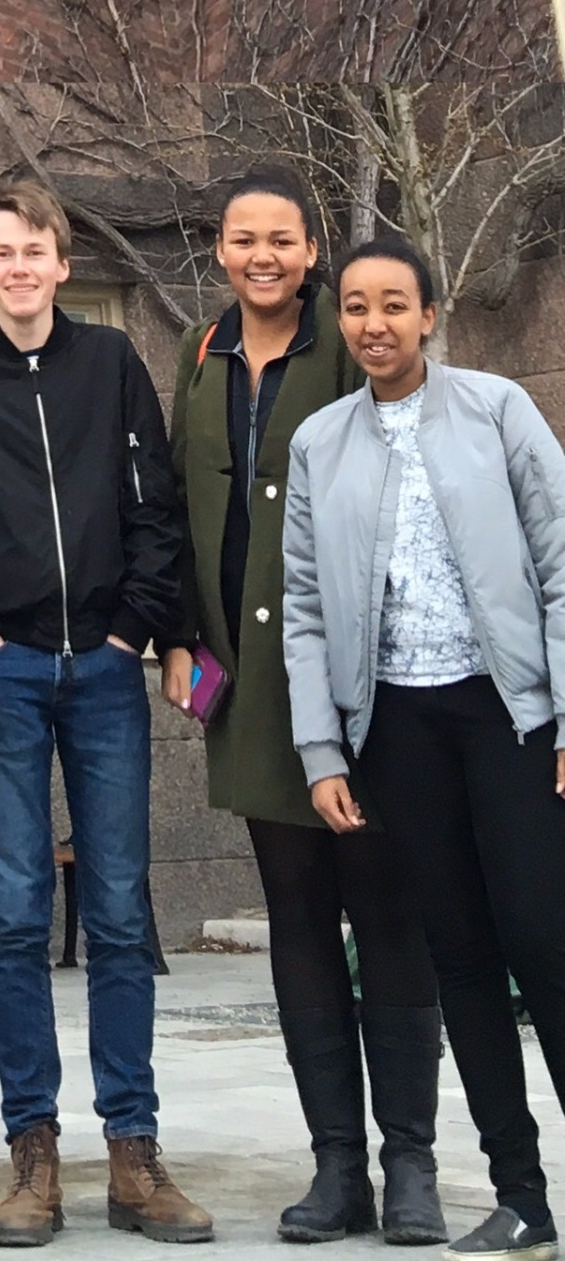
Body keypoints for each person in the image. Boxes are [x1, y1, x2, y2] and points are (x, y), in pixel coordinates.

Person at [0, 180, 212, 1248]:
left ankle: (133, 1153)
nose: (19, 267)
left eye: (33, 249)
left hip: (103, 668)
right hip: (2, 669)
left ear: (61, 259)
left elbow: (155, 507)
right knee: (12, 914)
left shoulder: (113, 362)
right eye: (0, 252)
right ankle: (32, 1154)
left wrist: (135, 628)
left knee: (122, 911)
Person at [170, 174, 443, 1245]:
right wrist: (181, 640)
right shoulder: (201, 355)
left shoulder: (349, 340)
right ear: (220, 249)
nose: (263, 256)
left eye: (282, 239)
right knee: (296, 919)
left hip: (363, 682)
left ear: (312, 248)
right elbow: (181, 510)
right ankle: (337, 1165)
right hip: (250, 685)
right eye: (244, 239)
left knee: (387, 912)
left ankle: (410, 1160)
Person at [284, 238, 565, 1261]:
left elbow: (562, 561)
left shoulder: (498, 410)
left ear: (429, 314)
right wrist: (322, 749)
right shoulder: (319, 442)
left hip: (509, 716)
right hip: (397, 727)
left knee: (542, 939)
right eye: (356, 306)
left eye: (394, 304)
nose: (374, 324)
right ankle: (521, 1196)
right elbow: (304, 607)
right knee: (462, 957)